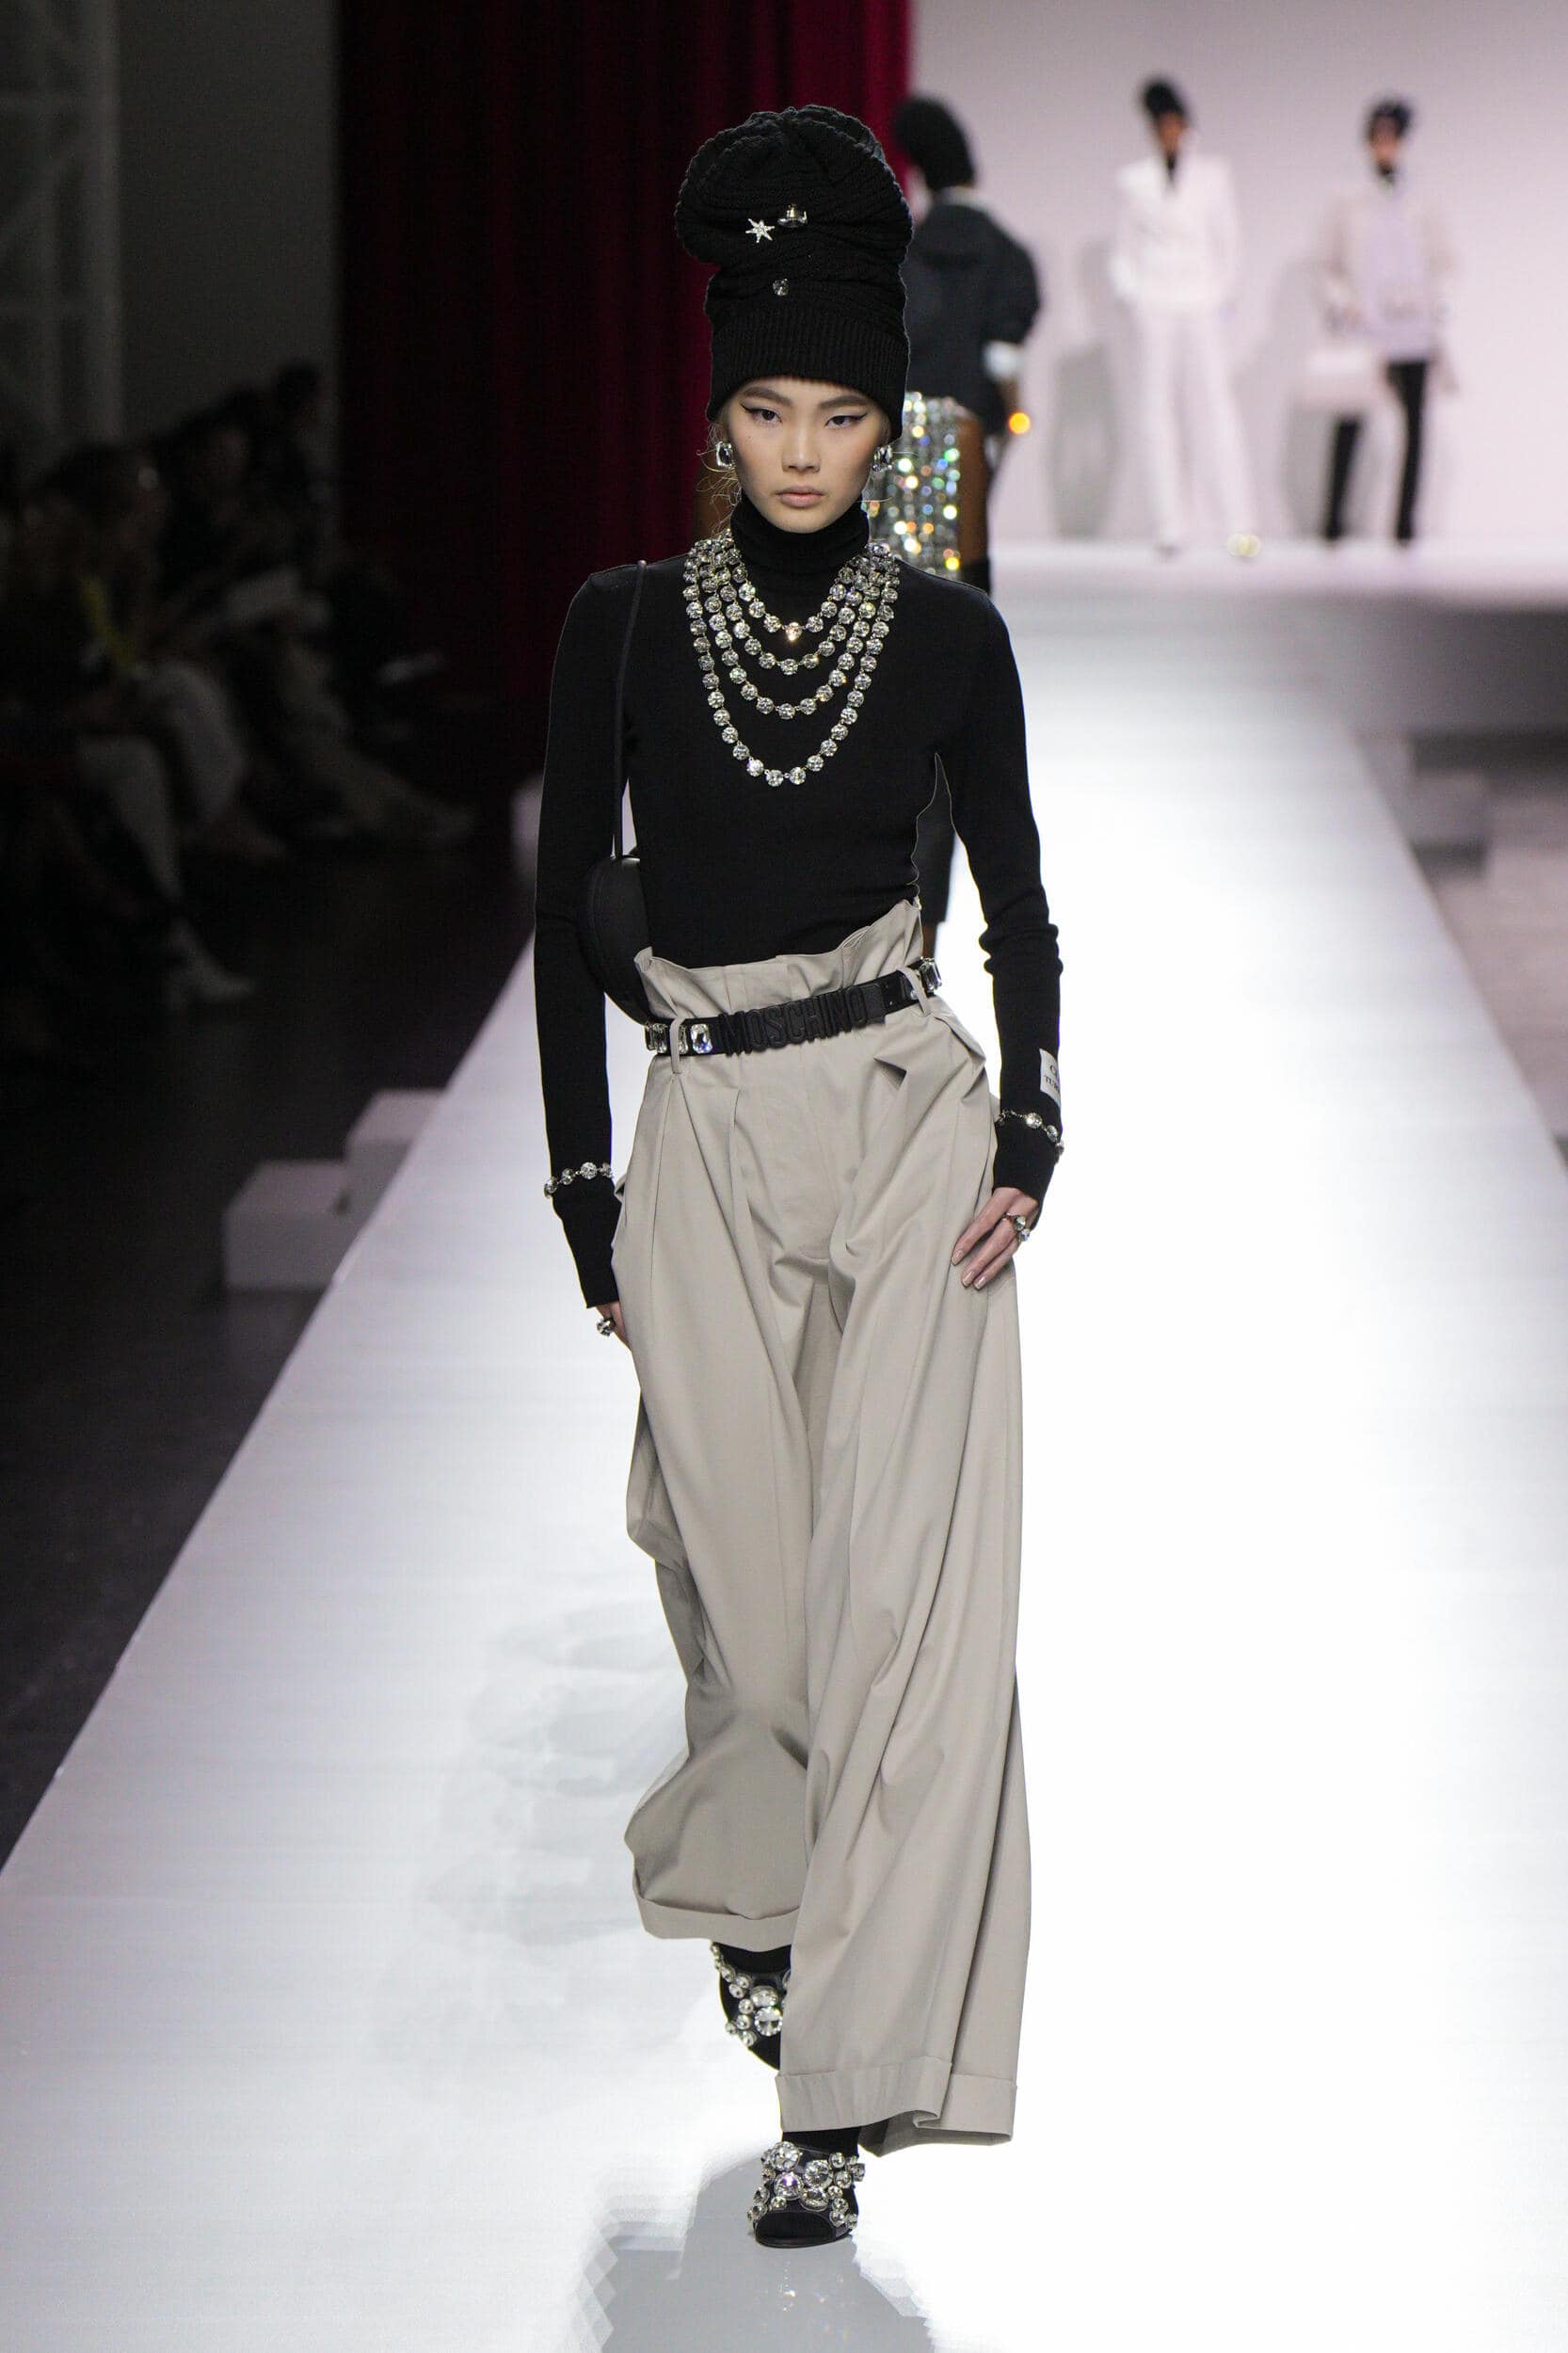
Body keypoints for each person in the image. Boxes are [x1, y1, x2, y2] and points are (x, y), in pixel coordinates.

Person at [533, 105, 1063, 2250]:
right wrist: (581, 1188)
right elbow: (559, 906)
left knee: (909, 1625)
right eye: (770, 411)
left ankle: (836, 2097)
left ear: (888, 423)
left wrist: (1035, 1128)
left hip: (910, 1115)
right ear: (721, 416)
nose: (806, 451)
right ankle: (758, 1892)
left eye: (843, 415)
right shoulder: (620, 626)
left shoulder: (947, 636)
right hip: (703, 1125)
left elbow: (1020, 904)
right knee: (754, 1632)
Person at [892, 94, 1044, 956]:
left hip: (887, 493)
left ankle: (885, 929)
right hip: (962, 488)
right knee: (957, 716)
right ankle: (932, 929)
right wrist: (992, 445)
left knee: (884, 705)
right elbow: (1004, 377)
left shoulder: (902, 259)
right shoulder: (1009, 259)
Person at [1110, 78, 1260, 559]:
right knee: (1156, 412)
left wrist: (1220, 298)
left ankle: (1238, 523)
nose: (1170, 134)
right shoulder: (1134, 181)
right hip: (1155, 305)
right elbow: (1123, 250)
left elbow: (1229, 244)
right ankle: (1169, 526)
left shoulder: (1214, 176)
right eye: (1162, 126)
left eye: (1176, 124)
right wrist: (1134, 297)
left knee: (1215, 409)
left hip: (1200, 304)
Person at [1317, 98, 1456, 545]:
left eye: (1391, 137)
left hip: (1412, 324)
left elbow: (1444, 261)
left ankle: (1404, 524)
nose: (1384, 145)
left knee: (1415, 426)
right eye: (1377, 137)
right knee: (1350, 418)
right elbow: (1329, 263)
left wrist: (1436, 305)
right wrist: (1342, 304)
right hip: (1364, 324)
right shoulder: (1347, 198)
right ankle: (1333, 520)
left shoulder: (1423, 199)